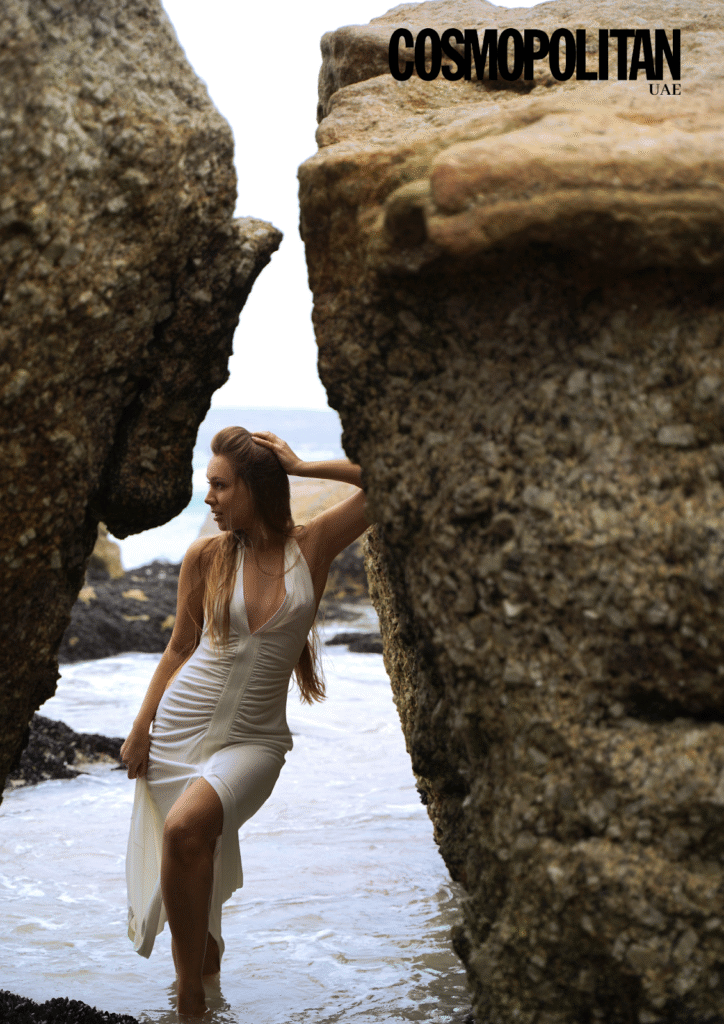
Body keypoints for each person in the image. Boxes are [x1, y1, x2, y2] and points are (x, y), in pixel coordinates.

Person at [119, 427, 369, 1017]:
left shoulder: (311, 546)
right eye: (208, 485)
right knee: (198, 901)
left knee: (185, 831)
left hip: (256, 741)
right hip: (179, 732)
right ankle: (203, 991)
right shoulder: (206, 556)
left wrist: (301, 466)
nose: (208, 498)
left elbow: (389, 482)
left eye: (220, 485)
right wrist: (140, 726)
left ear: (255, 487)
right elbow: (180, 648)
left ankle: (188, 1000)